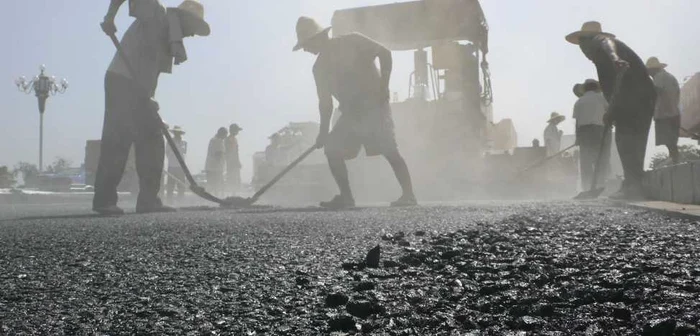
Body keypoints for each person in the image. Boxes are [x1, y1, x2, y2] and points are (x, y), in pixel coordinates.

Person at [93, 0, 210, 215]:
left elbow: (149, 71)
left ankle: (148, 200)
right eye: (194, 28)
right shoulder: (157, 13)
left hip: (140, 89)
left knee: (152, 138)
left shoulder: (169, 37)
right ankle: (104, 200)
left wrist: (148, 97)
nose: (193, 35)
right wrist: (110, 17)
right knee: (118, 138)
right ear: (184, 19)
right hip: (121, 79)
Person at [293, 16, 417, 209]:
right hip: (352, 114)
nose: (306, 50)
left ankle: (409, 195)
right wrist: (323, 133)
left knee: (390, 150)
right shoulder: (319, 68)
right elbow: (325, 104)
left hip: (375, 107)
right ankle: (346, 197)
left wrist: (384, 86)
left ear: (317, 37)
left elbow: (385, 53)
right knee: (332, 149)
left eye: (306, 44)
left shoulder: (352, 40)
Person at [566, 21, 656, 199]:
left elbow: (608, 44)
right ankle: (633, 184)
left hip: (636, 96)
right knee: (631, 141)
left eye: (583, 44)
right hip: (635, 97)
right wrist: (612, 112)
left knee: (627, 141)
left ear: (588, 40)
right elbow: (612, 88)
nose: (583, 50)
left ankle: (633, 185)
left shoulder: (601, 43)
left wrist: (615, 58)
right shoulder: (599, 58)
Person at [573, 79, 611, 190]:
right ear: (595, 87)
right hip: (599, 131)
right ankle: (600, 185)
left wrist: (577, 138)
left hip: (584, 132)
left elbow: (577, 122)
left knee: (586, 160)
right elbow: (609, 112)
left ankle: (587, 187)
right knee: (600, 159)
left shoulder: (579, 102)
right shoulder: (601, 98)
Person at [647, 57, 681, 165]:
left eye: (649, 72)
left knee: (668, 139)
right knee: (671, 139)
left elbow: (656, 91)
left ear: (653, 69)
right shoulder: (670, 77)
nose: (649, 74)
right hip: (674, 112)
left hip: (665, 113)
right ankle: (673, 157)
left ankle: (674, 158)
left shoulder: (659, 77)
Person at [165, 125, 188, 201]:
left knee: (181, 185)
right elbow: (167, 152)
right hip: (172, 165)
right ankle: (169, 200)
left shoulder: (184, 142)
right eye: (176, 132)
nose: (177, 134)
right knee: (170, 185)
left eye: (178, 132)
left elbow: (184, 152)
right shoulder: (170, 141)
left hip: (181, 166)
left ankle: (181, 200)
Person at [205, 127, 227, 197]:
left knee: (212, 184)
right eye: (225, 134)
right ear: (222, 134)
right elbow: (218, 154)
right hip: (215, 168)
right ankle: (215, 197)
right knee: (215, 184)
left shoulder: (213, 140)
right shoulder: (218, 141)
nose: (225, 136)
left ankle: (210, 197)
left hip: (211, 167)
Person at [225, 123, 243, 195]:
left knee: (235, 178)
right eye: (237, 130)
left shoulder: (233, 139)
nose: (238, 132)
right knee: (233, 178)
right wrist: (236, 161)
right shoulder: (229, 139)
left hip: (233, 161)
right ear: (233, 130)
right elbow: (232, 152)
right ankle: (233, 194)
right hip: (232, 162)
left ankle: (234, 193)